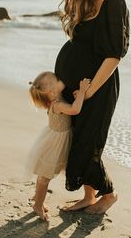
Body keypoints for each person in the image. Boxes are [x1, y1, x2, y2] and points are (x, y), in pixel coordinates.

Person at [44, 0, 130, 214]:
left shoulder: (112, 2)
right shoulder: (81, 0)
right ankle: (88, 197)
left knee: (89, 143)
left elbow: (114, 54)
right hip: (75, 88)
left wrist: (90, 89)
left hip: (98, 87)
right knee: (76, 140)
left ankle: (109, 194)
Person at [26, 71, 91, 220]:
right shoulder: (58, 104)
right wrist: (82, 92)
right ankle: (37, 205)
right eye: (56, 79)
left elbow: (64, 82)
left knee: (44, 174)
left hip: (54, 139)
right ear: (52, 91)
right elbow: (75, 109)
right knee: (46, 176)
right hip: (56, 144)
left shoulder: (54, 98)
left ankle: (38, 198)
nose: (60, 80)